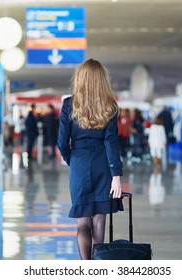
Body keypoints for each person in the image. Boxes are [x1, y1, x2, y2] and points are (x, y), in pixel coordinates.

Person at [57, 59, 123, 260]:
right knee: (99, 221)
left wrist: (73, 160)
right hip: (102, 163)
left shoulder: (69, 104)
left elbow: (61, 142)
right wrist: (116, 175)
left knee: (83, 222)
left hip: (79, 162)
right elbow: (111, 142)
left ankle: (86, 267)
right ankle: (98, 266)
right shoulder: (110, 106)